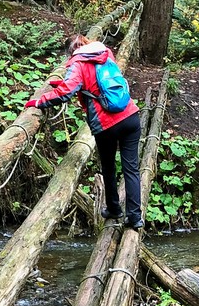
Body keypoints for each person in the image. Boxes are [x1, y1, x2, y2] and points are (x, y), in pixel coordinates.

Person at [24, 34, 143, 229]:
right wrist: (63, 84)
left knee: (109, 167)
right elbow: (97, 82)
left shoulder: (77, 63)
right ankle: (135, 218)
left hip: (106, 124)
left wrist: (39, 102)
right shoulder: (105, 53)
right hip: (130, 115)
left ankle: (114, 208)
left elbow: (67, 92)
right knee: (131, 169)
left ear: (71, 51)